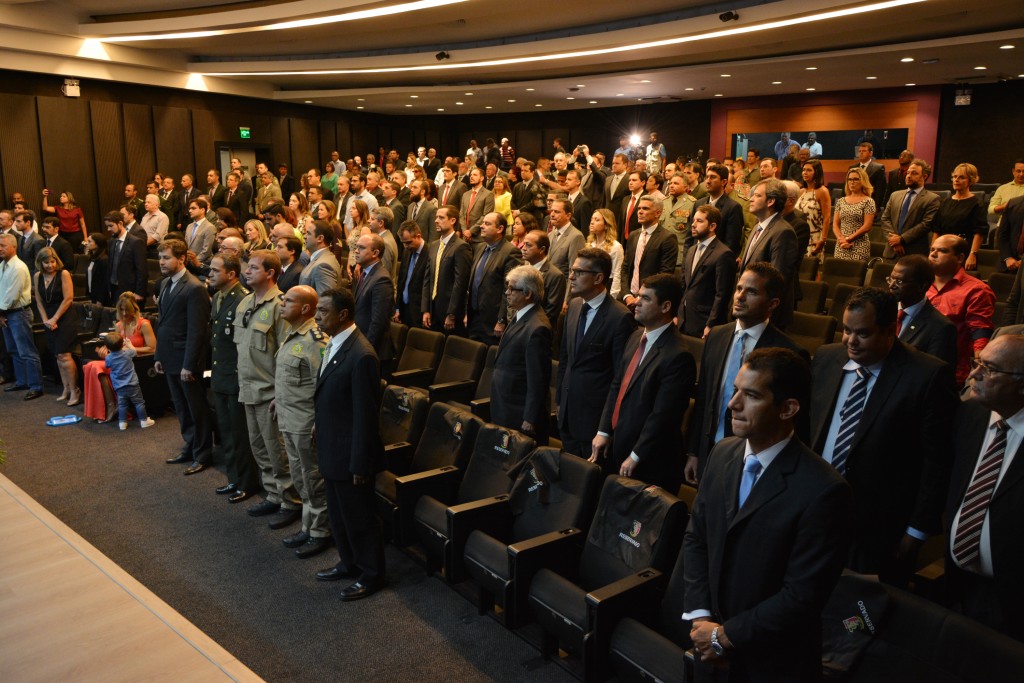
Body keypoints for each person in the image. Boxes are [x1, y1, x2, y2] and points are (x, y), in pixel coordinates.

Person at [684, 348, 854, 682]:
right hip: (708, 643)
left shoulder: (825, 490)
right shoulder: (721, 454)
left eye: (751, 395)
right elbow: (697, 537)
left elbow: (801, 596)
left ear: (788, 408)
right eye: (735, 391)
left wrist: (725, 636)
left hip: (772, 661)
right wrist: (702, 620)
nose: (733, 404)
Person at [810, 287, 956, 585]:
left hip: (879, 525)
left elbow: (936, 462)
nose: (850, 341)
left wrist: (916, 531)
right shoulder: (826, 358)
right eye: (846, 330)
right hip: (816, 511)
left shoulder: (927, 376)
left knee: (856, 618)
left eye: (862, 333)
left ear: (891, 331)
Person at [685, 262, 809, 484]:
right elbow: (704, 399)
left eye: (751, 291)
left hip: (756, 461)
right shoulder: (716, 336)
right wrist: (694, 452)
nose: (740, 297)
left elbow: (792, 422)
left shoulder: (789, 352)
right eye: (738, 288)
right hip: (710, 453)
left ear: (772, 304)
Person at [945, 334, 1024, 642]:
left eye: (988, 368)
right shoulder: (969, 415)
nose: (973, 374)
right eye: (977, 362)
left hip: (1012, 603)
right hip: (957, 587)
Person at [313, 287, 386, 601]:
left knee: (359, 519)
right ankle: (349, 562)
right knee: (339, 515)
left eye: (323, 311)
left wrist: (360, 464)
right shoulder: (334, 344)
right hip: (332, 445)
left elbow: (365, 417)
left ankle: (371, 575)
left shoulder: (362, 355)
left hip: (350, 455)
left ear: (343, 315)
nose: (316, 317)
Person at [591, 274, 696, 492]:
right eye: (638, 296)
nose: (636, 302)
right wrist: (603, 431)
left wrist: (636, 454)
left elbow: (663, 416)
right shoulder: (635, 337)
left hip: (650, 460)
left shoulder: (678, 356)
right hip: (619, 446)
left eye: (646, 298)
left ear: (666, 306)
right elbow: (617, 386)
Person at [234, 250, 303, 527]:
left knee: (278, 451)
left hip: (270, 393)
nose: (247, 272)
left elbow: (287, 355)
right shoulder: (246, 303)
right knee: (259, 448)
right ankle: (273, 495)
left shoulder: (281, 305)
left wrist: (281, 394)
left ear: (270, 273)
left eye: (253, 268)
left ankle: (290, 501)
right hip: (247, 387)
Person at [556, 248, 634, 458]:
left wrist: (605, 428)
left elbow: (620, 378)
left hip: (594, 421)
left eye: (579, 272)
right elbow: (565, 359)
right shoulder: (573, 306)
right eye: (572, 270)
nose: (571, 276)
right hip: (567, 416)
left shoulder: (620, 317)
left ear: (599, 278)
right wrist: (559, 402)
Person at [273, 285, 332, 559]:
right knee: (299, 476)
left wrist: (320, 420)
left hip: (305, 421)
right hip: (288, 415)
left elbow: (325, 386)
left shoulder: (316, 340)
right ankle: (308, 526)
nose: (282, 303)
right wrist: (278, 398)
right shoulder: (292, 333)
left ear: (306, 308)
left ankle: (320, 531)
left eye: (289, 301)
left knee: (312, 478)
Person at [154, 239, 213, 475]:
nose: (161, 262)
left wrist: (189, 365)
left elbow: (197, 331)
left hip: (187, 361)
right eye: (160, 257)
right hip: (170, 356)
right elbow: (164, 324)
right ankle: (190, 447)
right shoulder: (165, 283)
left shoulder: (195, 287)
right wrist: (159, 354)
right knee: (181, 407)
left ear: (182, 259)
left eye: (166, 257)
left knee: (195, 408)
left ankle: (203, 454)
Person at [207, 253, 260, 504]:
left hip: (237, 376)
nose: (210, 274)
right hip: (221, 375)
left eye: (215, 271)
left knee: (240, 435)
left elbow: (244, 344)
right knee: (226, 432)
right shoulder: (218, 297)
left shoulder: (242, 299)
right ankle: (233, 478)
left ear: (230, 274)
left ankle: (247, 483)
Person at [490, 265, 552, 443]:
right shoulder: (521, 316)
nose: (507, 293)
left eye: (512, 288)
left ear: (527, 294)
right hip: (506, 404)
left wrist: (530, 418)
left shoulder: (538, 327)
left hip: (519, 412)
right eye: (507, 287)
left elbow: (538, 379)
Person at [927, 234, 996, 386]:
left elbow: (980, 330)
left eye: (942, 250)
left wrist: (980, 365)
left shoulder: (976, 290)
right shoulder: (919, 283)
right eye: (932, 249)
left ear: (959, 258)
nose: (933, 254)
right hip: (914, 363)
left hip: (950, 371)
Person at [739, 179, 800, 330]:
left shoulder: (783, 231)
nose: (751, 199)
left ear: (771, 201)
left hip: (766, 317)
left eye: (757, 196)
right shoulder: (757, 228)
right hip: (750, 311)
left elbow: (778, 280)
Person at [888, 254, 957, 369]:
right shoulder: (882, 310)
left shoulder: (941, 327)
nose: (891, 285)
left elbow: (935, 374)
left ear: (922, 286)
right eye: (891, 279)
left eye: (899, 282)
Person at [680, 205, 736, 339]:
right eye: (693, 220)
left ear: (712, 226)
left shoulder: (724, 254)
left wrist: (711, 324)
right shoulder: (692, 250)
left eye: (699, 221)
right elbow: (685, 286)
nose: (693, 225)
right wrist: (678, 314)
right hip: (685, 320)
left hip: (705, 323)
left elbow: (722, 294)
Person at [466, 212, 522, 345]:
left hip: (493, 320)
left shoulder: (510, 252)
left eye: (487, 223)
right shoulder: (479, 247)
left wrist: (501, 320)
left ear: (500, 229)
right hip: (474, 316)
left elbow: (508, 289)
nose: (481, 226)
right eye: (482, 223)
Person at [34, 247, 79, 405]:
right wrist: (46, 320)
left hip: (64, 317)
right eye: (46, 262)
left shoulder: (63, 274)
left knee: (65, 355)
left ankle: (74, 390)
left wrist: (55, 318)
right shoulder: (37, 276)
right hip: (49, 320)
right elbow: (39, 301)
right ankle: (65, 388)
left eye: (52, 262)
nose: (50, 265)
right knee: (57, 356)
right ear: (40, 263)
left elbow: (68, 299)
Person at [0, 233, 42, 399]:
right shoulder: (3, 264)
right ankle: (22, 381)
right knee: (13, 350)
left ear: (13, 247)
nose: (0, 249)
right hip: (6, 314)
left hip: (18, 313)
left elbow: (12, 295)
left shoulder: (18, 267)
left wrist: (0, 312)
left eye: (3, 246)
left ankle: (36, 386)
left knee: (27, 352)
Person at [421, 205, 472, 335]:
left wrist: (452, 313)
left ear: (453, 221)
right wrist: (426, 309)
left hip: (449, 312)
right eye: (436, 217)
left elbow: (460, 283)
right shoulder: (433, 245)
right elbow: (427, 279)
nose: (436, 220)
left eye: (441, 217)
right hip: (432, 309)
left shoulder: (461, 247)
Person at [621, 196, 679, 309]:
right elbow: (625, 268)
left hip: (650, 301)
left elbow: (664, 274)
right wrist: (627, 295)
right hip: (628, 299)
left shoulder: (667, 238)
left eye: (645, 209)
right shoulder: (633, 235)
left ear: (658, 213)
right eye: (639, 209)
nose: (640, 212)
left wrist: (641, 296)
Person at [879, 159, 941, 259]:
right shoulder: (895, 195)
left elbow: (926, 224)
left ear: (924, 176)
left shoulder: (932, 199)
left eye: (914, 173)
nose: (908, 176)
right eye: (908, 172)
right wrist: (894, 241)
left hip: (914, 252)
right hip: (891, 251)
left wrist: (902, 239)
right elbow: (885, 219)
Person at [351, 233, 395, 373]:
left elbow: (379, 321)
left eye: (362, 248)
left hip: (373, 352)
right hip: (361, 344)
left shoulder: (381, 279)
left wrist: (365, 350)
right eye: (356, 247)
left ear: (375, 253)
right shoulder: (366, 273)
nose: (356, 251)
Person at [933, 163, 988, 272]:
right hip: (943, 249)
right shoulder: (945, 202)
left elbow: (979, 232)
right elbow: (937, 230)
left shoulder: (977, 203)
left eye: (961, 177)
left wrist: (973, 255)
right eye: (954, 176)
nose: (956, 180)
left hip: (963, 251)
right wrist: (933, 250)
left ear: (970, 181)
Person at [96, 332, 155, 431]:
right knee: (139, 403)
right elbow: (134, 351)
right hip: (132, 384)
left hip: (119, 386)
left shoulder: (109, 358)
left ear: (107, 347)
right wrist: (129, 344)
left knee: (122, 404)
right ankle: (144, 421)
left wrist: (105, 355)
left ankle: (122, 422)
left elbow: (107, 366)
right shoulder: (127, 353)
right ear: (122, 344)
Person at [516, 229, 566, 327]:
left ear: (542, 249)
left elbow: (551, 313)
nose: (523, 248)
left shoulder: (555, 276)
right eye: (523, 244)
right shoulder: (521, 269)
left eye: (528, 245)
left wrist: (527, 327)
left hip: (537, 330)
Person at [691, 163, 744, 254]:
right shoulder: (698, 203)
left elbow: (731, 243)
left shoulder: (733, 207)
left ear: (723, 182)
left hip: (717, 260)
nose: (707, 181)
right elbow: (690, 238)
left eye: (713, 177)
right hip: (695, 257)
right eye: (707, 177)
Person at [832, 166, 876, 262]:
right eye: (849, 179)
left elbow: (867, 226)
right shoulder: (841, 201)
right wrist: (841, 239)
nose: (852, 182)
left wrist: (848, 239)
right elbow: (835, 224)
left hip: (859, 246)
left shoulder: (869, 201)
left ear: (863, 181)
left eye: (856, 179)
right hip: (841, 245)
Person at [585, 209, 624, 300]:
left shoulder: (616, 247)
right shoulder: (589, 244)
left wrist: (613, 297)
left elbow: (617, 274)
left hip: (606, 286)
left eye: (597, 220)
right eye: (592, 219)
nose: (592, 222)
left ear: (606, 225)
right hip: (590, 285)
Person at [796, 159, 831, 257]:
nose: (805, 173)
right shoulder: (801, 191)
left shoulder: (822, 191)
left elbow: (827, 218)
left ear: (817, 172)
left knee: (812, 270)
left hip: (814, 237)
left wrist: (822, 240)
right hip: (799, 236)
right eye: (803, 170)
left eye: (809, 170)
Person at [300, 220, 343, 297]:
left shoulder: (324, 266)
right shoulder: (321, 258)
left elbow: (325, 304)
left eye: (308, 233)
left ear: (320, 238)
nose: (304, 236)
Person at [849, 142, 887, 211]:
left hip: (869, 204)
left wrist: (876, 207)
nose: (861, 153)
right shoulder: (852, 168)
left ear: (870, 153)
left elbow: (880, 190)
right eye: (860, 151)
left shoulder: (878, 168)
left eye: (864, 151)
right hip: (853, 204)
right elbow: (847, 187)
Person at [84, 232, 111, 306]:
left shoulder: (104, 259)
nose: (87, 243)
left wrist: (100, 300)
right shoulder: (91, 258)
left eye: (90, 241)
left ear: (97, 244)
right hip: (92, 295)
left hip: (101, 299)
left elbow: (104, 283)